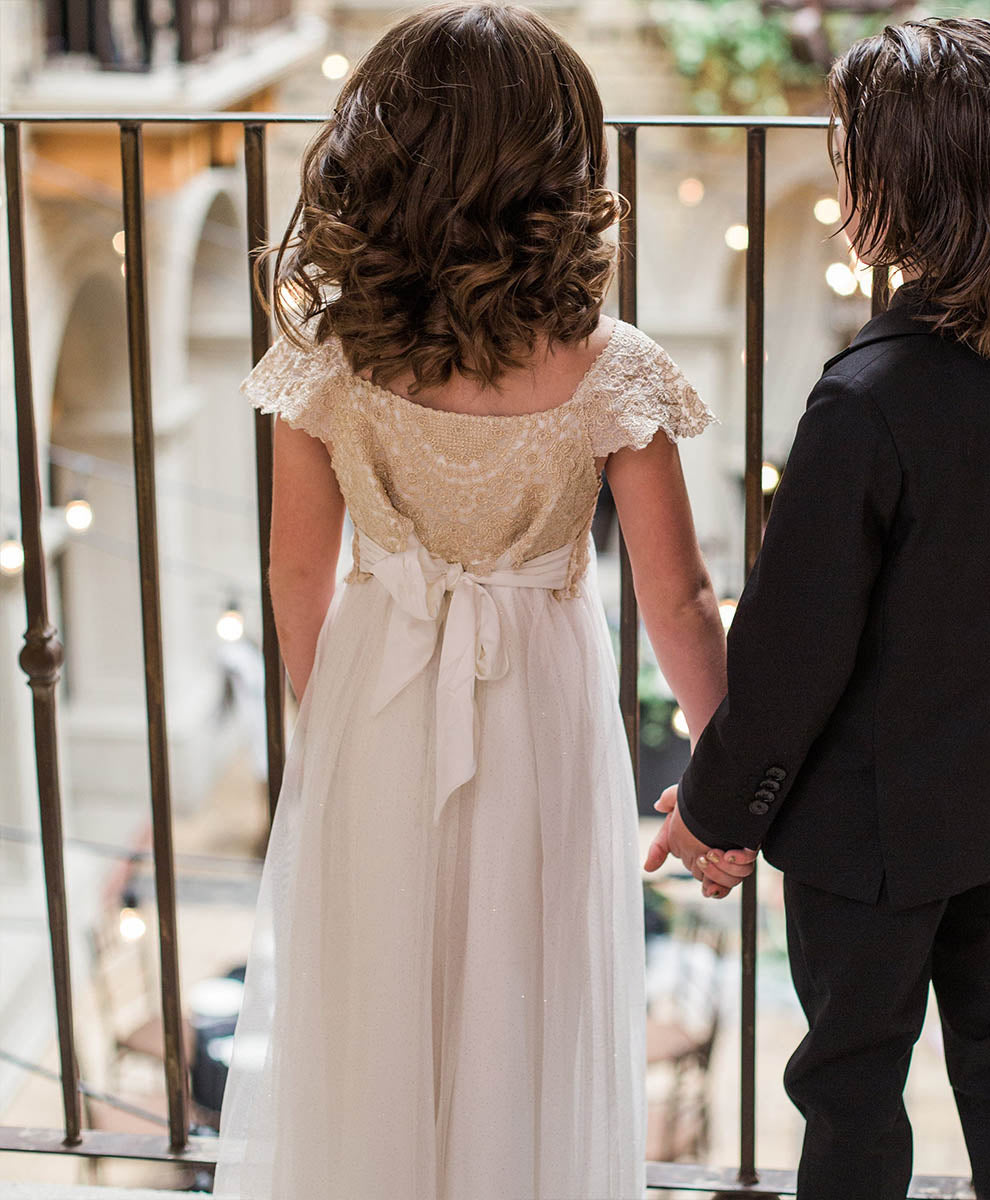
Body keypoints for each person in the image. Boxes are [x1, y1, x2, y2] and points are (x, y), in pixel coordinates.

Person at [212, 6, 752, 1198]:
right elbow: (678, 598)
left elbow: (297, 573)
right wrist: (726, 783)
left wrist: (333, 727)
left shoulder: (327, 355)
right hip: (540, 707)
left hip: (376, 692)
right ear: (559, 174)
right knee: (527, 990)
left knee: (377, 1003)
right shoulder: (608, 366)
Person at [645, 18, 990, 1200]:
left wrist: (714, 811)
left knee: (851, 1089)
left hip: (865, 837)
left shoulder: (865, 399)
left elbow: (792, 652)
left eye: (851, 153)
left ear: (903, 189)